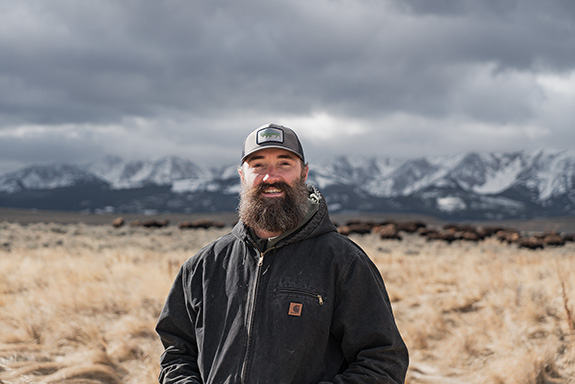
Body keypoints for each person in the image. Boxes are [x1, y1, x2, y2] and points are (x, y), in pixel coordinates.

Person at [155, 123, 409, 384]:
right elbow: (177, 353)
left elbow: (383, 362)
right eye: (258, 165)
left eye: (284, 164)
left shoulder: (343, 262)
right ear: (242, 175)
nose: (271, 177)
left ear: (304, 173)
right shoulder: (203, 266)